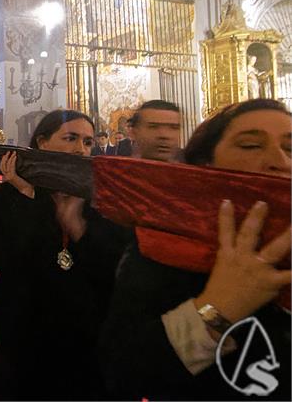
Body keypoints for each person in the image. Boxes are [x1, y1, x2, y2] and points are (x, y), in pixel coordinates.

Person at [100, 98, 291, 400]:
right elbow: (125, 372)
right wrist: (218, 308)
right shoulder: (166, 244)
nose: (280, 160)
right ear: (207, 165)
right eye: (251, 146)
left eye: (291, 148)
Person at [0, 109, 131, 400]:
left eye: (88, 142)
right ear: (42, 142)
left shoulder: (102, 200)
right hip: (26, 332)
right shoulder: (10, 196)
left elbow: (112, 266)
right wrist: (30, 197)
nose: (80, 149)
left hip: (82, 337)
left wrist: (77, 227)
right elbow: (5, 255)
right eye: (71, 138)